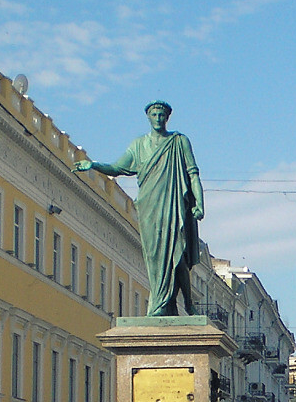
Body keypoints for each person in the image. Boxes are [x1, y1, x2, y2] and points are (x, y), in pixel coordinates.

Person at [75, 101, 204, 316]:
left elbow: (193, 174)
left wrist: (200, 202)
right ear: (148, 117)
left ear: (167, 117)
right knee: (155, 258)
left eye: (162, 114)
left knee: (178, 255)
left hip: (173, 205)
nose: (158, 118)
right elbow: (117, 168)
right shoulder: (138, 145)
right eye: (154, 114)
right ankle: (161, 303)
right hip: (149, 207)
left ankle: (188, 303)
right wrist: (94, 165)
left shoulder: (179, 142)